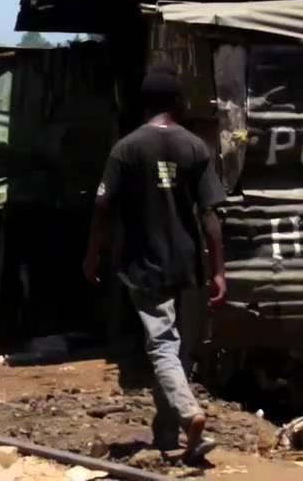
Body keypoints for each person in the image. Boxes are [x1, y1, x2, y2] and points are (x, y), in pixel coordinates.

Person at [83, 63, 226, 463]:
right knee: (177, 352)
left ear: (144, 104)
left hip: (144, 266)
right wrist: (218, 270)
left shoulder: (126, 149)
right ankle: (169, 436)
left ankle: (187, 413)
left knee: (162, 345)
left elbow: (102, 209)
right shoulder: (196, 148)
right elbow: (210, 217)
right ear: (178, 103)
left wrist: (92, 255)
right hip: (187, 267)